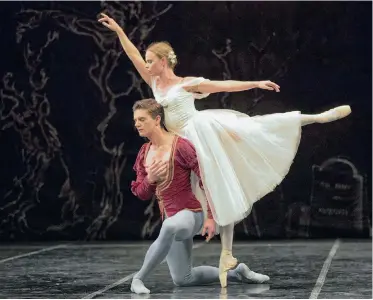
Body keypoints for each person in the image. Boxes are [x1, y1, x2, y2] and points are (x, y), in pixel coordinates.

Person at [98, 13, 352, 288]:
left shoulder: (187, 83)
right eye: (146, 62)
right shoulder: (155, 83)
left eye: (150, 61)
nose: (146, 65)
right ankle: (228, 258)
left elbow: (221, 86)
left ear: (163, 61)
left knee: (251, 135)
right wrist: (120, 31)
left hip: (200, 132)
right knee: (200, 198)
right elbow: (133, 56)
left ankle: (312, 118)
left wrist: (254, 83)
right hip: (180, 142)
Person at [130, 98, 269, 294]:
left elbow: (207, 181)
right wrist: (150, 179)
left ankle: (138, 278)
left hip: (190, 213)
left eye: (142, 119)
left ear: (157, 119)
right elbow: (141, 193)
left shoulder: (181, 146)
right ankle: (237, 273)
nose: (137, 124)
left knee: (169, 227)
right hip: (170, 218)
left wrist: (211, 217)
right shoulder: (144, 152)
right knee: (183, 279)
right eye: (135, 120)